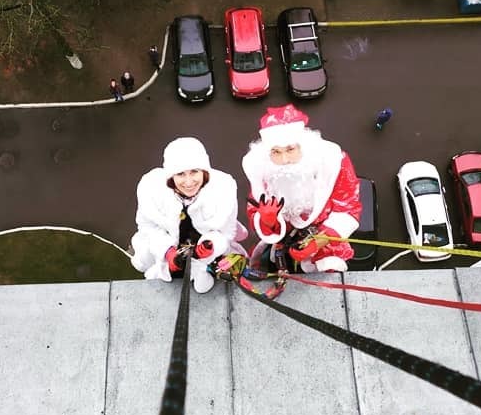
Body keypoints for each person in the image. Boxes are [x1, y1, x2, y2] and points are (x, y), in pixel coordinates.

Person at [242, 104, 361, 273]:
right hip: (282, 242)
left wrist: (318, 242)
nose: (284, 160)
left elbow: (348, 207)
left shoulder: (333, 162)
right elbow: (255, 209)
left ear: (302, 146)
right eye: (276, 152)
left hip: (325, 240)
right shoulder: (264, 170)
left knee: (327, 278)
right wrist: (268, 222)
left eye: (290, 149)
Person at [130, 137, 246, 293]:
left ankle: (204, 272)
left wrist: (210, 246)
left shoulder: (223, 189)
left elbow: (227, 231)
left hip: (207, 255)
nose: (189, 181)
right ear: (171, 176)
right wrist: (168, 252)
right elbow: (147, 228)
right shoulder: (152, 191)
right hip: (166, 254)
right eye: (180, 174)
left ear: (204, 171)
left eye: (194, 172)